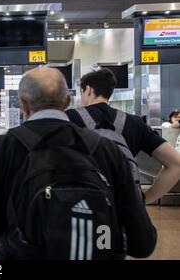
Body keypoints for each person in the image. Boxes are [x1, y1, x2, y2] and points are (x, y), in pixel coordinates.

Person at [0, 68, 156, 259]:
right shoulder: (106, 149)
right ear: (67, 101)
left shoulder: (1, 149)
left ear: (23, 104)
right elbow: (142, 244)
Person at [66, 68, 180, 204]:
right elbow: (175, 164)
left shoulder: (69, 119)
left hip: (82, 207)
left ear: (88, 90)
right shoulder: (134, 123)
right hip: (125, 212)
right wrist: (143, 200)